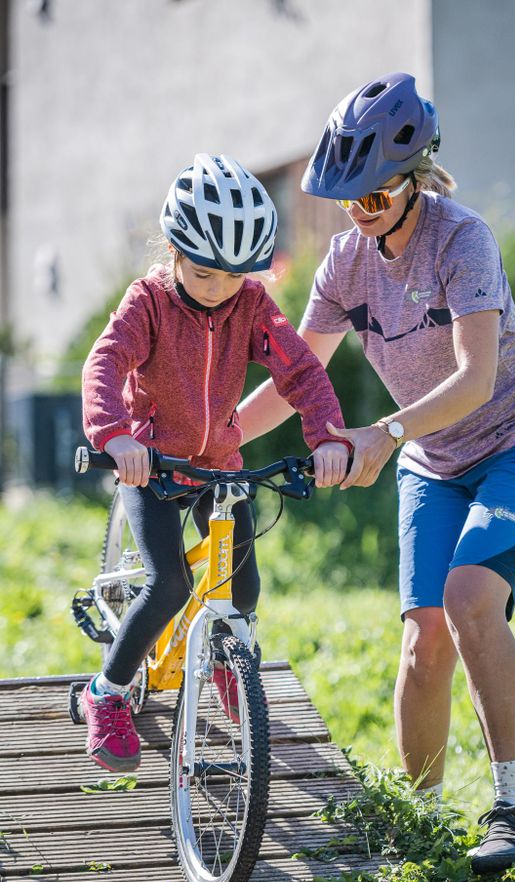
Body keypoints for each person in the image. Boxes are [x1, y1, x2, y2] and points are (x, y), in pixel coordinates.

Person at [237, 74, 515, 874]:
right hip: (435, 463)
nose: (360, 212)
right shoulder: (345, 264)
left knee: (466, 597)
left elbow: (475, 379)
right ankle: (424, 822)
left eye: (376, 194)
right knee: (423, 636)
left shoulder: (463, 240)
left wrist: (383, 433)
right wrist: (217, 439)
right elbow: (297, 376)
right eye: (347, 198)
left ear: (414, 175)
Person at [81, 153, 350, 774]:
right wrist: (114, 435)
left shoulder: (250, 304)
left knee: (244, 585)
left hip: (221, 464)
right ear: (173, 250)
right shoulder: (148, 301)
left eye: (234, 277)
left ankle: (227, 664)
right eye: (203, 274)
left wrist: (328, 436)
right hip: (152, 463)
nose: (218, 289)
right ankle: (109, 694)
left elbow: (300, 369)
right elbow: (106, 362)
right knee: (170, 584)